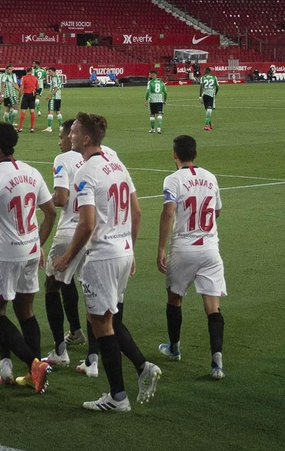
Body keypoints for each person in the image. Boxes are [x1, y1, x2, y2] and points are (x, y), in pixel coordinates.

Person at [53, 112, 161, 411]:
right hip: (123, 251)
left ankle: (118, 397)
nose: (69, 135)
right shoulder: (117, 164)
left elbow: (86, 224)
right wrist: (131, 248)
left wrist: (67, 257)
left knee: (102, 324)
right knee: (106, 319)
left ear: (86, 138)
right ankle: (141, 368)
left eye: (73, 131)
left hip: (102, 256)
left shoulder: (86, 171)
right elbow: (137, 212)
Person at [0, 121, 55, 393]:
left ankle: (34, 364)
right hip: (30, 250)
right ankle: (35, 374)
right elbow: (51, 212)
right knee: (25, 310)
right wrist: (38, 244)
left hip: (6, 254)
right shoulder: (31, 172)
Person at [156, 134, 227, 381]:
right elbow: (217, 210)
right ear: (195, 154)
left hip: (184, 248)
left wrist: (161, 249)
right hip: (210, 249)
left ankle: (174, 348)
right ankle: (217, 361)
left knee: (175, 299)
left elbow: (168, 213)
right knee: (212, 306)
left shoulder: (173, 180)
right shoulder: (211, 177)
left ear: (174, 155)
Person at [43, 118, 88, 368]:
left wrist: (41, 202)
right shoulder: (101, 156)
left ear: (71, 137)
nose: (60, 142)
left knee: (52, 285)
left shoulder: (64, 159)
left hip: (70, 230)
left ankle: (60, 352)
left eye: (61, 137)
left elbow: (60, 199)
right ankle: (81, 335)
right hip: (95, 233)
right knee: (76, 283)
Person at [18, 65, 41, 132]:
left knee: (23, 111)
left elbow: (21, 88)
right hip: (32, 95)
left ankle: (20, 128)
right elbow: (38, 88)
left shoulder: (24, 78)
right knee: (32, 111)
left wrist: (19, 97)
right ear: (31, 71)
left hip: (26, 95)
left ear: (26, 71)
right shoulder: (35, 78)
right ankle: (32, 128)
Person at [145, 69, 168, 133]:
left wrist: (146, 100)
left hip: (152, 100)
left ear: (153, 75)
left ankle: (152, 129)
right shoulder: (161, 82)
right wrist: (165, 100)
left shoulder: (150, 82)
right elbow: (165, 92)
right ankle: (159, 128)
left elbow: (147, 92)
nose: (149, 75)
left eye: (150, 74)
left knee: (152, 115)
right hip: (160, 100)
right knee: (160, 114)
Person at [44, 67, 65, 132]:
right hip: (58, 97)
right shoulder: (57, 77)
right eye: (48, 71)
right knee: (58, 111)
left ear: (54, 71)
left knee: (50, 111)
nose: (48, 73)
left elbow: (55, 88)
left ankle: (49, 127)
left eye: (50, 71)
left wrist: (49, 95)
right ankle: (61, 127)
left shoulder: (55, 78)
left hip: (54, 97)